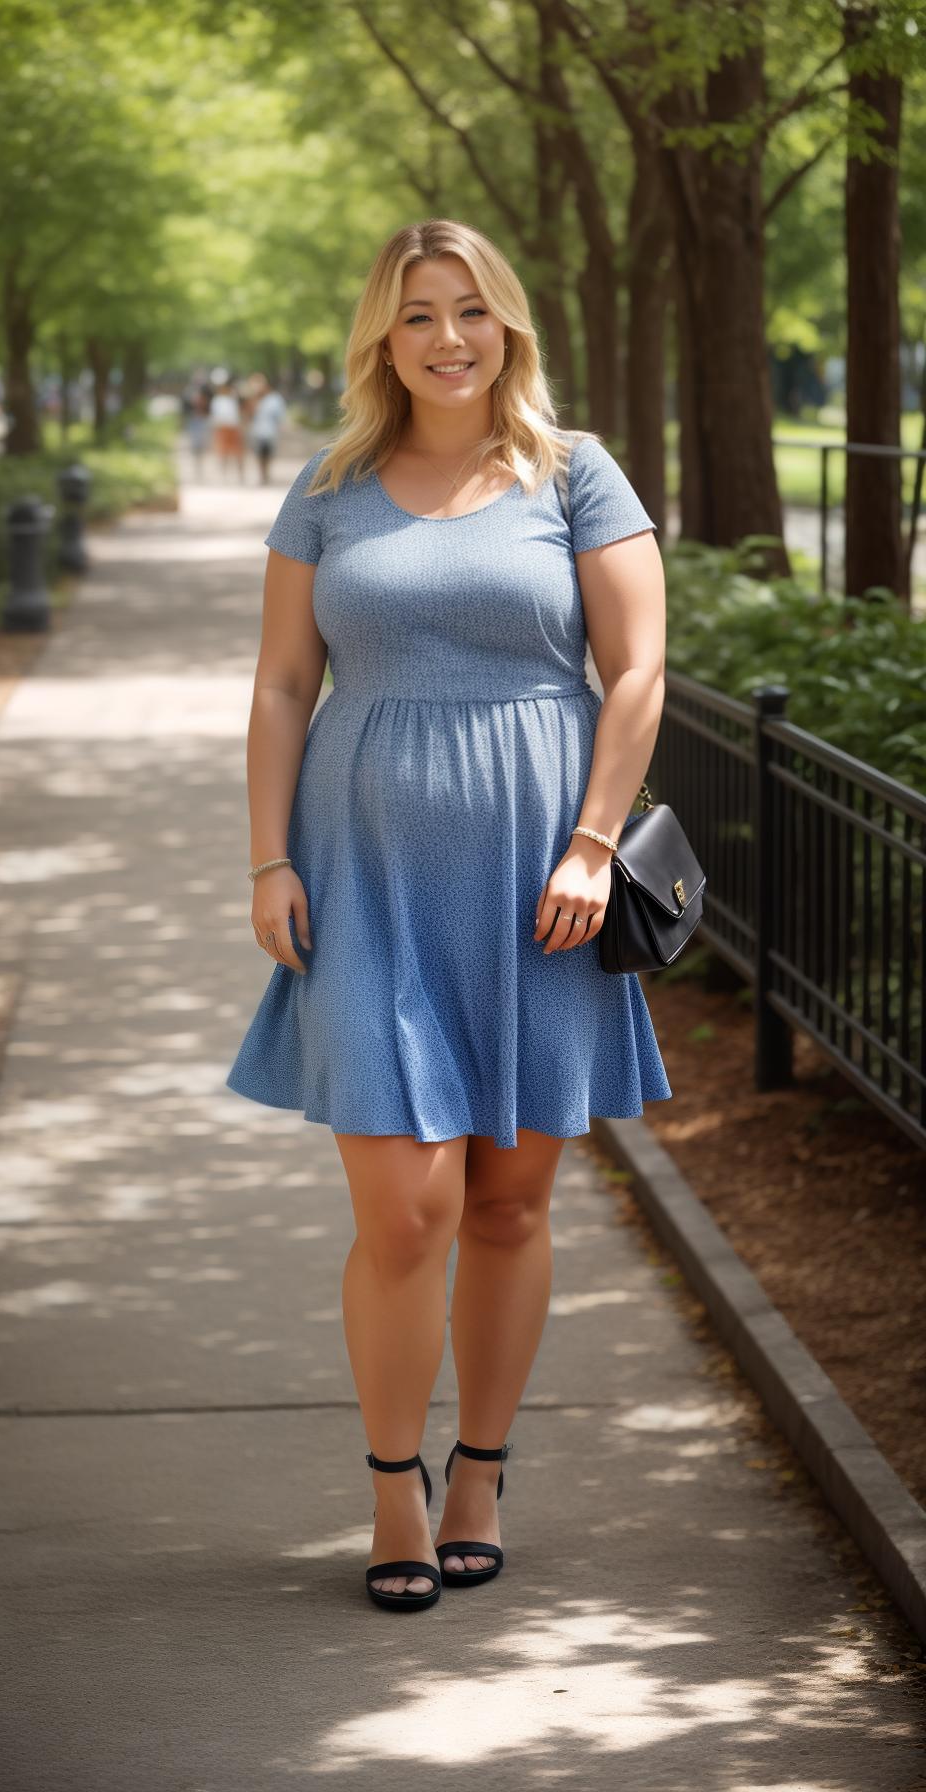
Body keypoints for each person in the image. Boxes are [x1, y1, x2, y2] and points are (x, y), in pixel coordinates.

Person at [224, 218, 672, 1613]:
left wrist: (596, 842)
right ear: (382, 336)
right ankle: (389, 1485)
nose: (447, 338)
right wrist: (265, 861)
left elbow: (640, 667)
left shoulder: (573, 474)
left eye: (469, 310)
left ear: (510, 326)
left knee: (510, 1198)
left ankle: (480, 1463)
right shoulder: (332, 484)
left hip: (544, 875)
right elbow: (284, 686)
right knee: (407, 1208)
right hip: (365, 877)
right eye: (417, 315)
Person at [247, 373, 288, 484]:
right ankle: (262, 475)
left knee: (268, 454)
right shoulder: (253, 399)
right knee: (259, 454)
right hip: (257, 431)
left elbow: (280, 415)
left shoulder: (274, 399)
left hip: (270, 432)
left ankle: (266, 474)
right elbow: (249, 415)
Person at [209, 378, 244, 480]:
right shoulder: (217, 400)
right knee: (223, 451)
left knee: (237, 451)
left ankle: (239, 473)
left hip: (233, 426)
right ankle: (224, 472)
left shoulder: (233, 398)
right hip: (222, 427)